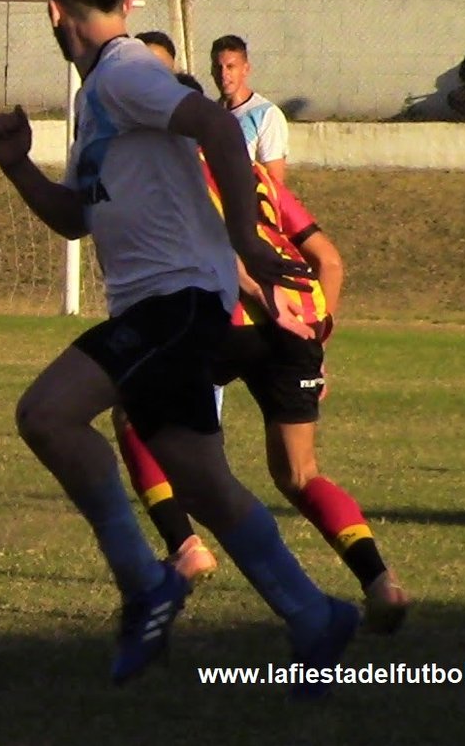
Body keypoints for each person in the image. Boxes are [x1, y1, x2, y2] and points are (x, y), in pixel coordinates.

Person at [0, 0, 356, 698]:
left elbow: (217, 127)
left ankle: (146, 584)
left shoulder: (123, 73)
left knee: (48, 415)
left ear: (54, 12)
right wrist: (17, 164)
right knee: (204, 481)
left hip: (178, 301)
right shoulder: (100, 96)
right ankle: (316, 617)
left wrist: (247, 240)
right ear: (124, 1)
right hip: (166, 306)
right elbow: (76, 219)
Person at [113, 156, 411, 634]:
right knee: (299, 473)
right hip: (300, 320)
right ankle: (380, 581)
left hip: (237, 316)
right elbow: (329, 260)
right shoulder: (256, 172)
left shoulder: (171, 163)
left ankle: (185, 547)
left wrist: (258, 290)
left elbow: (218, 241)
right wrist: (316, 338)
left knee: (131, 408)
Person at [210, 34, 290, 184]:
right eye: (217, 67)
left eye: (230, 67)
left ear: (245, 69)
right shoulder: (209, 113)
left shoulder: (266, 115)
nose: (223, 74)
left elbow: (274, 181)